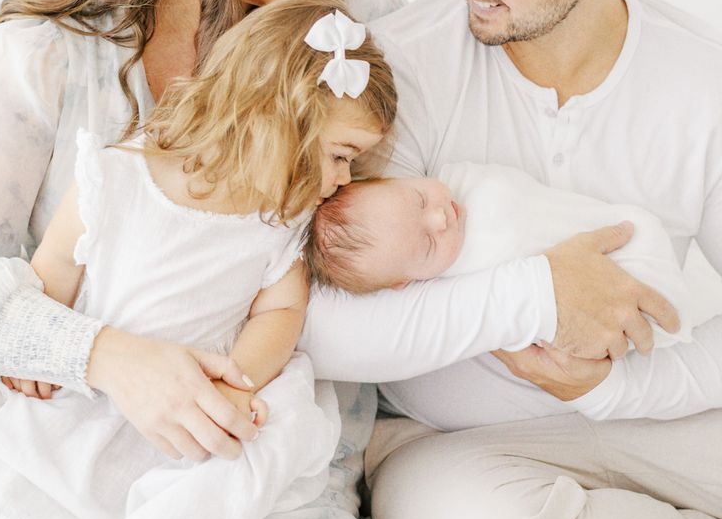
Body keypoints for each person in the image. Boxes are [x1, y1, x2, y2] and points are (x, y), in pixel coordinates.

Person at [298, 0, 722, 519]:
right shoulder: (401, 69)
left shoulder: (701, 84)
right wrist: (536, 298)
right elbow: (323, 324)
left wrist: (601, 392)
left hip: (667, 413)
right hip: (460, 446)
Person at [0, 0, 404, 457]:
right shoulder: (48, 57)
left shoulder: (346, 21)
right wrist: (108, 357)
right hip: (66, 439)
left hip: (256, 440)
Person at [0, 0, 396, 519]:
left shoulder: (280, 219)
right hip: (96, 399)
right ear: (273, 116)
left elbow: (281, 311)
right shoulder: (117, 176)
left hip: (203, 411)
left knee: (265, 436)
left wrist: (238, 382)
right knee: (27, 515)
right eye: (339, 156)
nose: (342, 181)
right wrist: (43, 348)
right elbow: (52, 269)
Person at [307, 162, 722, 413]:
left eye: (419, 199)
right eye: (428, 244)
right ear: (406, 283)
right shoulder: (458, 279)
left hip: (627, 239)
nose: (440, 218)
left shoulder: (454, 177)